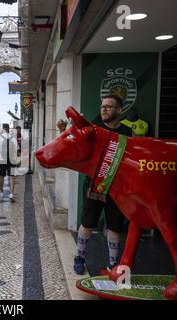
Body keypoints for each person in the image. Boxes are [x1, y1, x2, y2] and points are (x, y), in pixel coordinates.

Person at [57, 95, 132, 275]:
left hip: (117, 187)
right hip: (94, 185)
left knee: (115, 226)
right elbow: (71, 145)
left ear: (119, 110)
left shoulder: (128, 133)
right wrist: (62, 131)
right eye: (102, 106)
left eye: (109, 106)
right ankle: (79, 257)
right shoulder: (94, 130)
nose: (104, 109)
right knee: (88, 223)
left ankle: (113, 265)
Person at [0, 124, 19, 200]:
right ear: (8, 128)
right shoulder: (13, 138)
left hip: (2, 159)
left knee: (1, 176)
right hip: (11, 160)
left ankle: (1, 192)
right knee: (11, 177)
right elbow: (17, 150)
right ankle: (11, 194)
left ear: (3, 129)